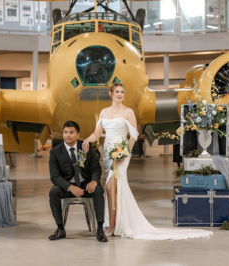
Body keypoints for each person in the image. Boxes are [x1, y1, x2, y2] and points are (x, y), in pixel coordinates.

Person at [82, 82, 213, 240]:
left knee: (110, 188)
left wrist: (125, 152)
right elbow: (97, 134)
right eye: (117, 91)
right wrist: (86, 140)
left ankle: (111, 225)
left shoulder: (128, 112)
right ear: (110, 94)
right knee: (114, 190)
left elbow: (133, 136)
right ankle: (115, 223)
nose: (120, 94)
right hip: (108, 153)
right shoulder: (104, 112)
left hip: (122, 152)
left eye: (122, 92)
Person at [48, 121, 108, 242]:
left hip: (85, 184)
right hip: (67, 186)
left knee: (98, 190)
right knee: (53, 192)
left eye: (71, 132)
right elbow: (55, 177)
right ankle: (60, 229)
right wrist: (70, 187)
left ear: (78, 134)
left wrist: (94, 181)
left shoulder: (86, 147)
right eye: (65, 132)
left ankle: (100, 229)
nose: (68, 135)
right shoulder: (55, 152)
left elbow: (96, 168)